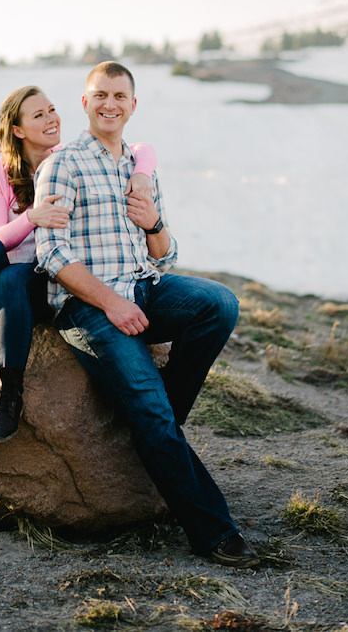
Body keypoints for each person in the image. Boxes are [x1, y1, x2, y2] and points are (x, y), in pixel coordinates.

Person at [33, 61, 257, 568]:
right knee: (151, 414)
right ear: (85, 103)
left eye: (119, 96)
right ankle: (213, 531)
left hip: (143, 289)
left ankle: (158, 424)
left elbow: (163, 255)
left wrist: (152, 218)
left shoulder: (138, 165)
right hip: (87, 307)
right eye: (100, 95)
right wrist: (110, 302)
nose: (110, 104)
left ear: (133, 106)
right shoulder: (63, 163)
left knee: (219, 304)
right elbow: (51, 253)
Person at [0, 85, 156, 443]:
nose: (52, 119)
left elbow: (143, 149)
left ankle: (9, 396)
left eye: (52, 110)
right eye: (39, 115)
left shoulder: (69, 157)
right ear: (18, 130)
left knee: (12, 277)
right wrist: (33, 217)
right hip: (13, 283)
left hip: (55, 279)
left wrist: (142, 173)